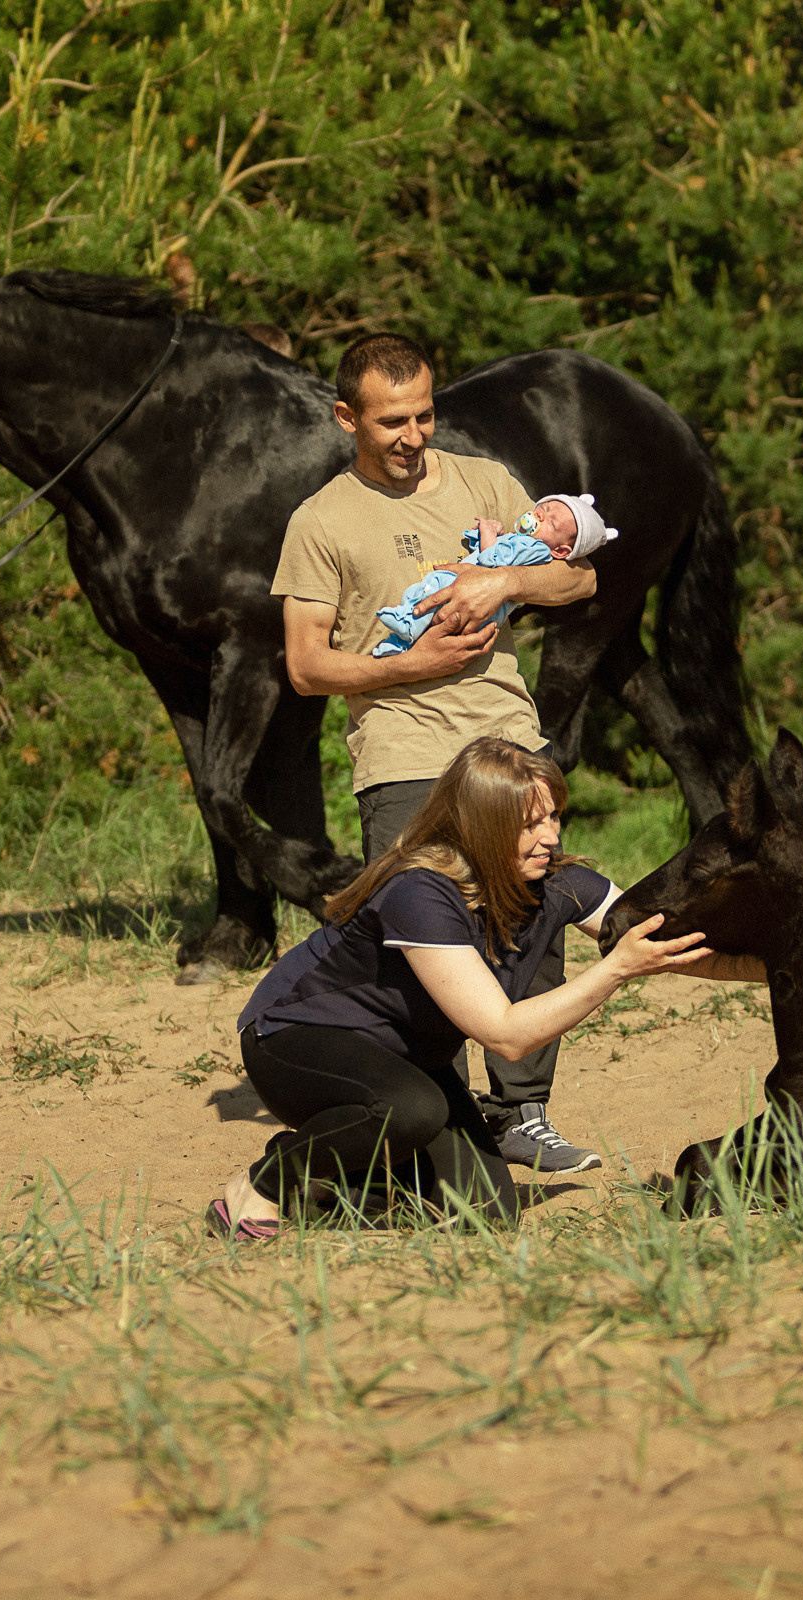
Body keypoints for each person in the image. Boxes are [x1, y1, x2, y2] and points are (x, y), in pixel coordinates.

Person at [276, 332, 605, 1173]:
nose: (414, 436)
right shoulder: (320, 520)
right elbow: (307, 665)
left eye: (425, 414)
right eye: (392, 421)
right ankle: (447, 1116)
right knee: (426, 938)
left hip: (506, 738)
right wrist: (408, 665)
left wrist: (507, 582)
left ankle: (522, 1110)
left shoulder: (484, 480)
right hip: (402, 754)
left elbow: (580, 580)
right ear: (346, 416)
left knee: (533, 916)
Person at [214, 739, 762, 1237]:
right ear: (479, 827)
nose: (550, 836)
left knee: (487, 1209)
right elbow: (505, 1036)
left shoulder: (560, 884)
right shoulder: (420, 892)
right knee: (410, 1109)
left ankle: (325, 1177)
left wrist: (785, 966)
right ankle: (266, 1180)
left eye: (553, 816)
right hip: (299, 1038)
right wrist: (615, 969)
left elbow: (672, 943)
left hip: (404, 1062)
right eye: (530, 824)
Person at [371, 494, 618, 656]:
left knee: (433, 588)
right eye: (543, 508)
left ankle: (407, 621)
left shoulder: (536, 549)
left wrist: (489, 532)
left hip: (477, 601)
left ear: (561, 550)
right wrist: (489, 533)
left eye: (552, 523)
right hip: (472, 594)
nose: (542, 515)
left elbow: (493, 560)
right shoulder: (521, 540)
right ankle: (398, 645)